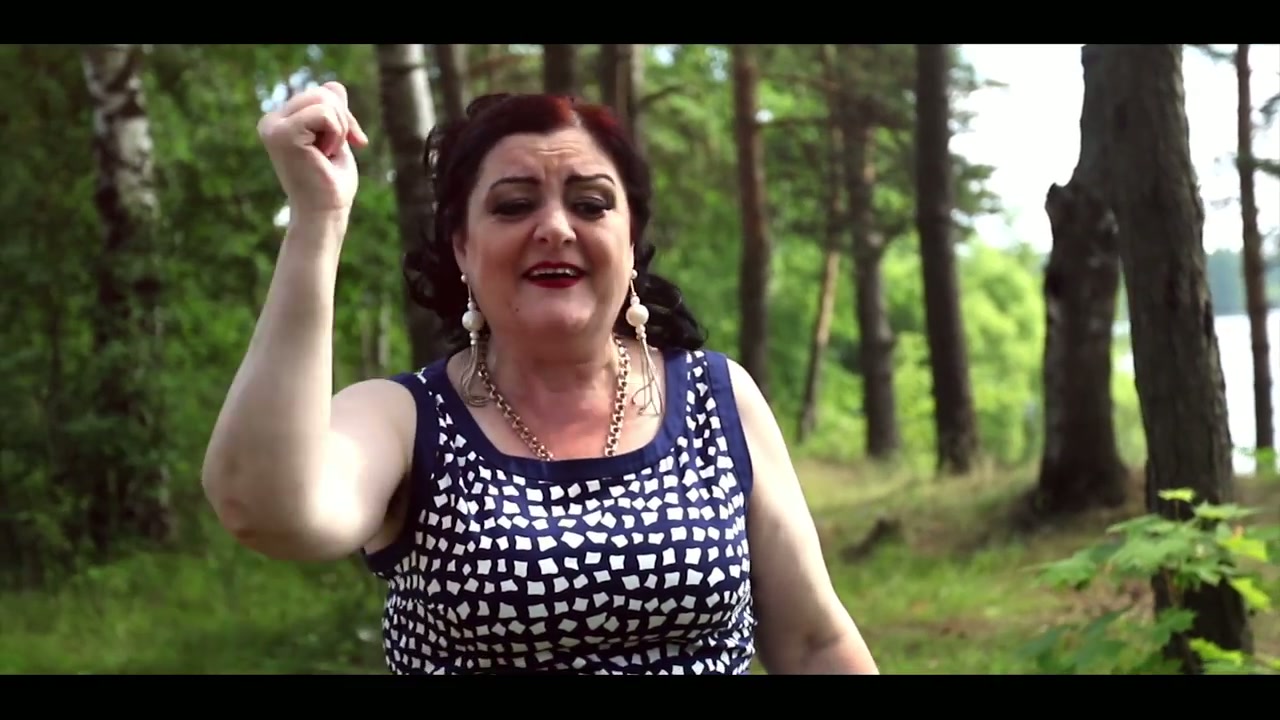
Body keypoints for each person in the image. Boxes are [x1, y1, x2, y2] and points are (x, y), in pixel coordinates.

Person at [201, 80, 879, 676]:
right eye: (513, 205)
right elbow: (266, 509)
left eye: (591, 204)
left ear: (630, 241)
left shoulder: (716, 397)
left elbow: (814, 644)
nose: (555, 227)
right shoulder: (406, 418)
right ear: (462, 247)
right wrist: (318, 219)